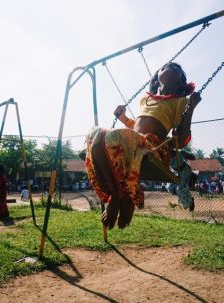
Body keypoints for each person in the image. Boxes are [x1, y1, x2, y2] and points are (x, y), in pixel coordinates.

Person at [85, 62, 201, 229]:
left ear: (181, 83)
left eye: (176, 69)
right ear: (155, 80)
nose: (170, 67)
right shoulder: (144, 99)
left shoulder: (180, 101)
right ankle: (116, 195)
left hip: (153, 148)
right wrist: (123, 118)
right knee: (94, 135)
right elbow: (136, 128)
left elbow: (181, 141)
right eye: (164, 67)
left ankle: (123, 198)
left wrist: (191, 108)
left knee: (106, 134)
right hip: (136, 141)